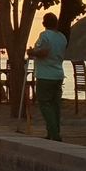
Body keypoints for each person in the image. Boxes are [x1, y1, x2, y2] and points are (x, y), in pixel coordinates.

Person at [27, 12, 68, 141]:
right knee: (55, 104)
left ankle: (54, 132)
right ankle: (53, 131)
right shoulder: (62, 37)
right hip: (58, 73)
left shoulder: (45, 36)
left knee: (45, 103)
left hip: (45, 75)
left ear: (44, 23)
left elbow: (44, 52)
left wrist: (32, 52)